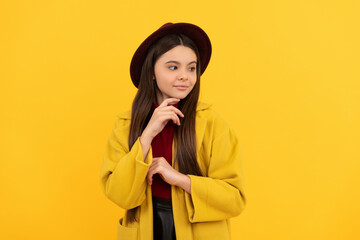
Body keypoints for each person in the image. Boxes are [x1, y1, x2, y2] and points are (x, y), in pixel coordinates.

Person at [99, 22, 246, 240]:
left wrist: (179, 179)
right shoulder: (125, 125)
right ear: (151, 72)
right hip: (145, 228)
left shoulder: (214, 125)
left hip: (198, 230)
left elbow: (234, 199)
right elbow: (119, 195)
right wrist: (147, 135)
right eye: (173, 67)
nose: (185, 76)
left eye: (191, 68)